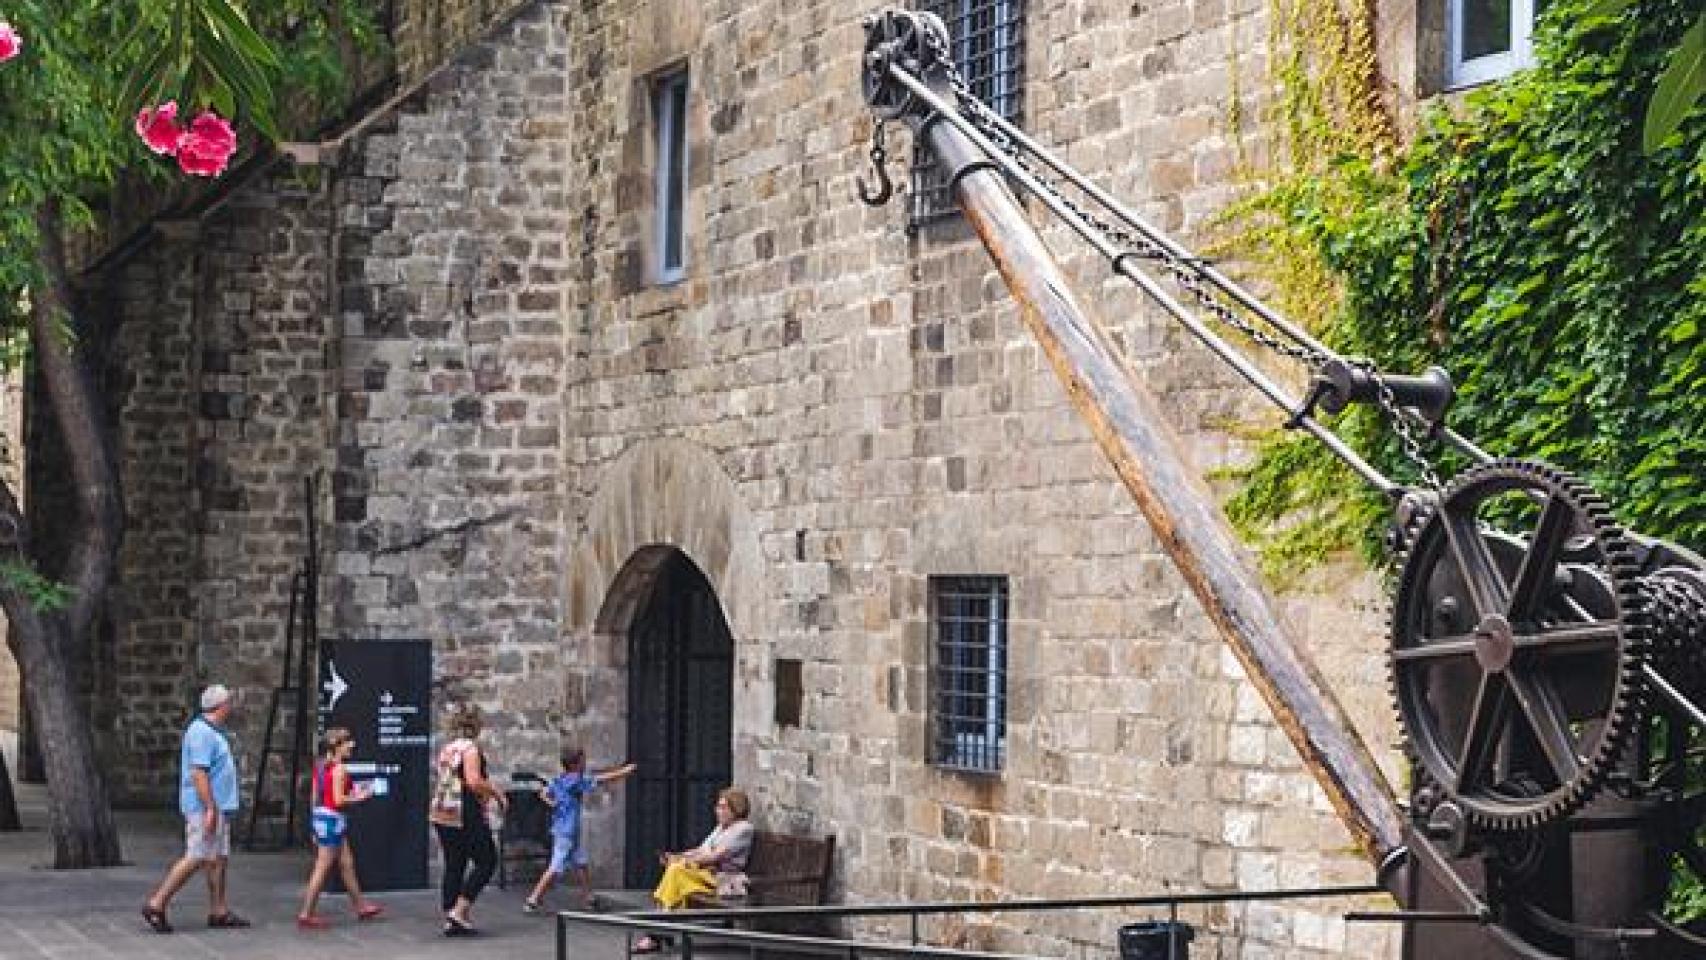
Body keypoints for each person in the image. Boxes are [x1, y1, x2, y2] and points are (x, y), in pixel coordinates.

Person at [141, 684, 249, 934]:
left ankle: (218, 910)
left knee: (218, 858)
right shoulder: (201, 733)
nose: (231, 707)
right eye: (229, 703)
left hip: (218, 806)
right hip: (205, 807)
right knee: (197, 855)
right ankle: (157, 903)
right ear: (220, 706)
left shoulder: (212, 731)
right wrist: (210, 807)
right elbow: (199, 773)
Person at [630, 787, 755, 954]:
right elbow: (701, 850)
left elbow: (715, 856)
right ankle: (658, 932)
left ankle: (657, 932)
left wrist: (683, 861)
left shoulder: (743, 829)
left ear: (736, 808)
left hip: (724, 880)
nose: (718, 811)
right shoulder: (720, 828)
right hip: (705, 875)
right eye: (718, 806)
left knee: (676, 872)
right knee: (675, 872)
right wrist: (678, 856)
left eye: (723, 807)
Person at [523, 749, 637, 913]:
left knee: (581, 862)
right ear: (575, 764)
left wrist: (552, 802)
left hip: (565, 829)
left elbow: (543, 793)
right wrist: (624, 772)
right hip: (567, 831)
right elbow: (599, 780)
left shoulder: (560, 779)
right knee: (555, 866)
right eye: (583, 761)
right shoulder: (575, 780)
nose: (585, 764)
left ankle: (588, 897)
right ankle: (533, 899)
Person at [296, 727, 386, 929]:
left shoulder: (320, 766)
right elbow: (338, 800)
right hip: (333, 820)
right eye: (347, 743)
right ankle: (306, 912)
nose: (351, 746)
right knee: (322, 867)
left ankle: (360, 905)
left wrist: (313, 824)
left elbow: (315, 797)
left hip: (322, 818)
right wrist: (360, 797)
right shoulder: (340, 769)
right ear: (337, 747)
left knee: (346, 863)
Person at [430, 705, 506, 936]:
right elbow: (473, 781)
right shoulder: (470, 750)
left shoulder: (447, 750)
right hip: (464, 811)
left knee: (455, 862)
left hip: (443, 811)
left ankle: (451, 914)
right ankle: (460, 909)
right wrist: (496, 793)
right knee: (487, 860)